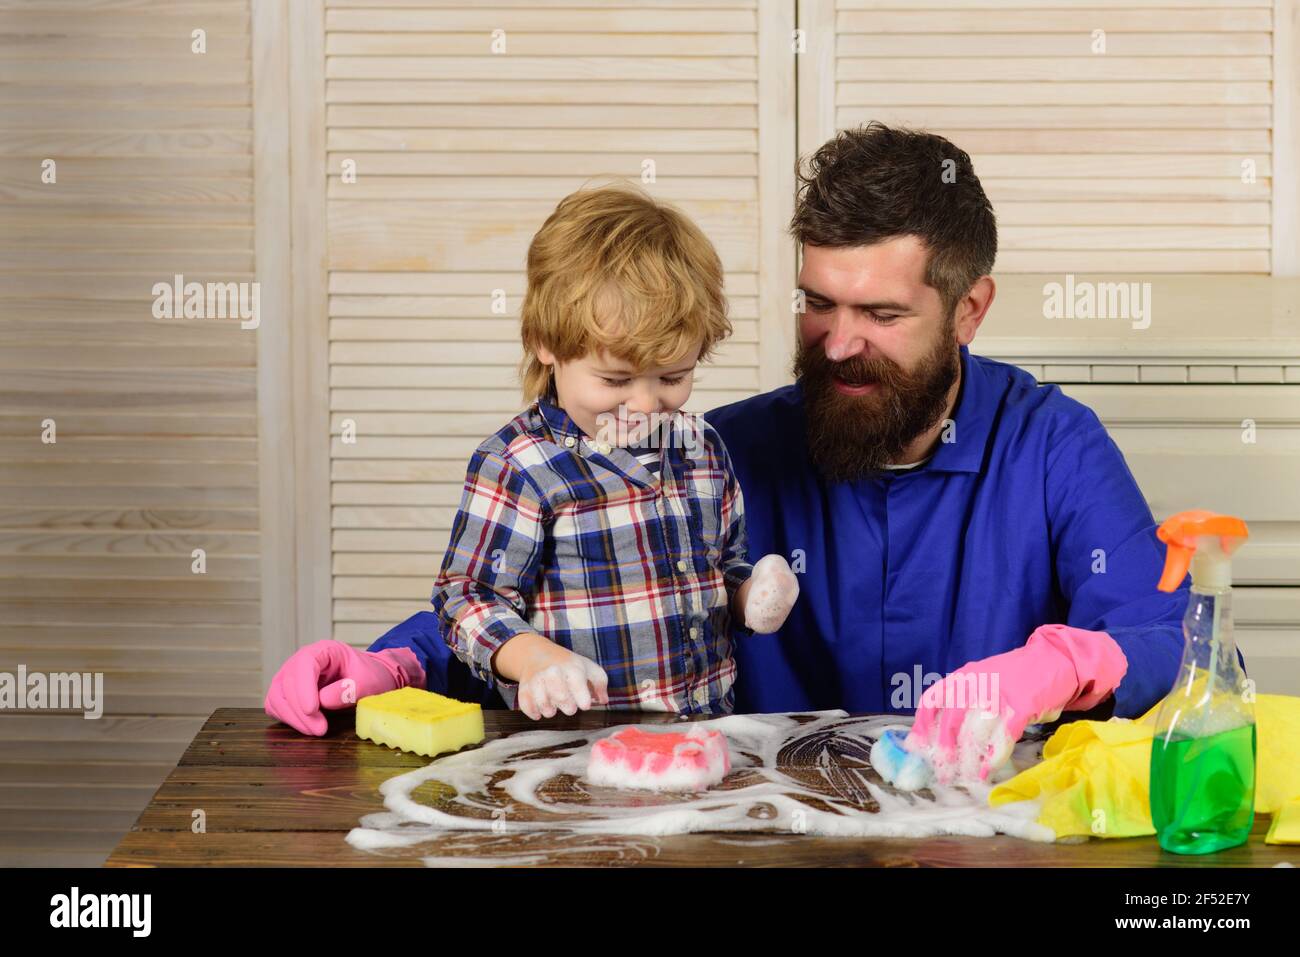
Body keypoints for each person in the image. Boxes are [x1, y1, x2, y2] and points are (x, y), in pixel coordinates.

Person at [703, 122, 1240, 782]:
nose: (838, 344)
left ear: (970, 309)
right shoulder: (718, 454)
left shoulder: (1054, 446)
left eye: (882, 313)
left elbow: (1186, 648)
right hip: (765, 832)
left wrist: (1064, 664)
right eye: (819, 303)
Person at [264, 184, 799, 735]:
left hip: (703, 743)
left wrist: (747, 596)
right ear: (548, 344)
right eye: (614, 379)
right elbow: (465, 600)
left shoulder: (703, 449)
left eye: (673, 377)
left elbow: (723, 566)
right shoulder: (519, 465)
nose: (644, 404)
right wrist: (533, 658)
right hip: (573, 749)